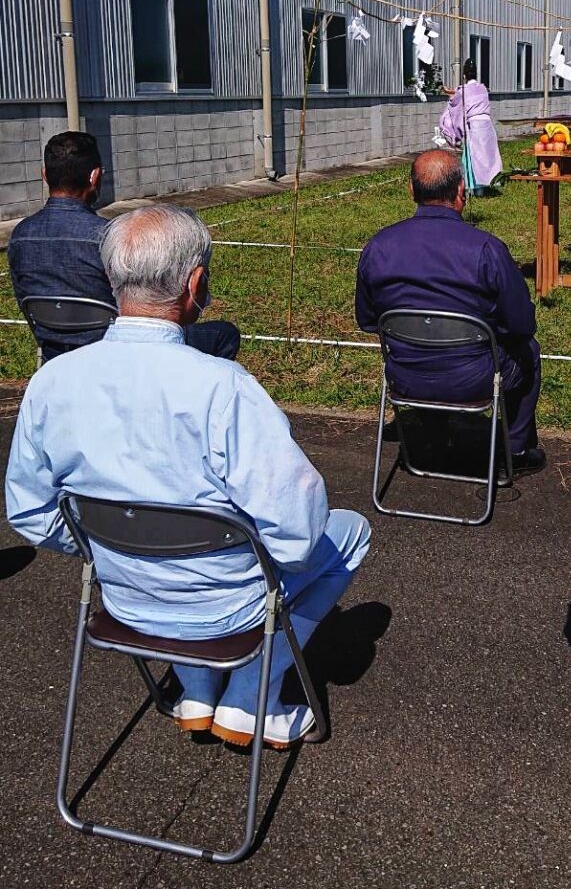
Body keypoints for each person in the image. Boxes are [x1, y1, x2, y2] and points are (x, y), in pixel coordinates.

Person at [5, 205, 370, 749]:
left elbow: (30, 511)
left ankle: (198, 690)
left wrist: (104, 551)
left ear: (111, 279)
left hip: (124, 599)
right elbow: (296, 528)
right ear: (195, 283)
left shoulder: (51, 382)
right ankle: (250, 695)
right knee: (350, 531)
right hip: (227, 606)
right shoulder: (224, 387)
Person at [355, 149, 545, 475]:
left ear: (411, 191)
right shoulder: (486, 249)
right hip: (475, 378)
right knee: (528, 352)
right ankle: (514, 451)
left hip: (406, 377)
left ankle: (432, 441)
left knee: (429, 349)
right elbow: (522, 325)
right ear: (461, 191)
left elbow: (368, 320)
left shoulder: (378, 247)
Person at [7, 131, 240, 362]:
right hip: (122, 354)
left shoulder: (19, 236)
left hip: (56, 356)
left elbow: (27, 306)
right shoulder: (111, 237)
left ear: (45, 175)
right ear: (95, 177)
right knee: (224, 334)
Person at [438, 58, 503, 196]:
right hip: (487, 126)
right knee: (487, 157)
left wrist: (447, 93)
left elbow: (456, 101)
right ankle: (487, 184)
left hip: (474, 127)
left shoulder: (463, 90)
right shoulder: (483, 88)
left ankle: (474, 187)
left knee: (473, 157)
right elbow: (461, 95)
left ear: (464, 75)